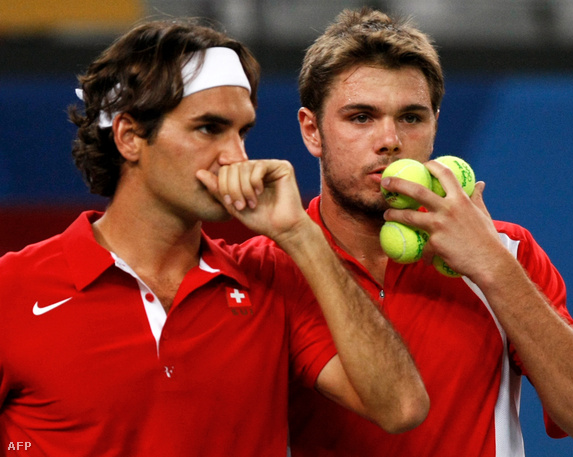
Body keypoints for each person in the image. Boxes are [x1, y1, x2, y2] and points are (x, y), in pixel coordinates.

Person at [0, 18, 429, 456]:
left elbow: (401, 407)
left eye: (242, 132)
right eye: (209, 128)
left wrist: (300, 234)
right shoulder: (11, 289)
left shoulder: (269, 278)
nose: (235, 157)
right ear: (129, 137)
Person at [275, 7, 573, 456]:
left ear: (435, 125)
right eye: (361, 117)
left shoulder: (506, 251)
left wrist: (491, 266)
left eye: (412, 117)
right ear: (312, 131)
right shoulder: (266, 265)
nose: (390, 140)